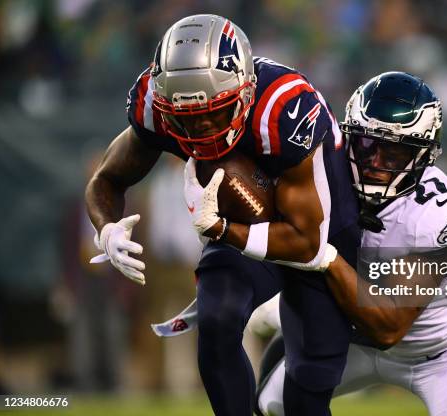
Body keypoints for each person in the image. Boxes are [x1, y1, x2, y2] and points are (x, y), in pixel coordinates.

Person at [86, 14, 359, 416]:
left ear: (245, 89)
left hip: (322, 231)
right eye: (188, 118)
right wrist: (107, 229)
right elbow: (106, 180)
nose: (204, 128)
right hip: (239, 224)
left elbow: (307, 242)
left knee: (306, 389)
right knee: (217, 321)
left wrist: (220, 228)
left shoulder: (283, 105)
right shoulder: (154, 103)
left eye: (216, 111)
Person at [256, 72, 447, 416]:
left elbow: (388, 325)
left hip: (437, 353)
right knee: (271, 404)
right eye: (368, 145)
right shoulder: (324, 173)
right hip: (348, 339)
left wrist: (324, 257)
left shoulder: (439, 212)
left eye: (395, 154)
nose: (375, 164)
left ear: (424, 155)